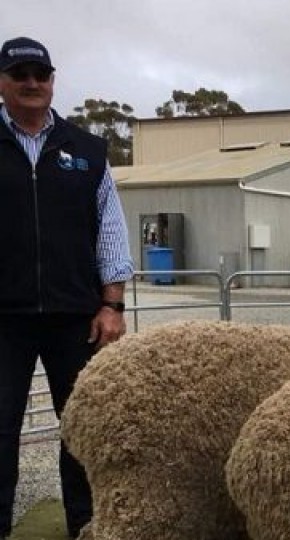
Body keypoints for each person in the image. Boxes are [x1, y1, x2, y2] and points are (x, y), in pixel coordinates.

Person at [0, 37, 134, 539]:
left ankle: (85, 524)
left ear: (53, 81)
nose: (32, 83)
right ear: (3, 82)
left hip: (77, 316)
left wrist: (112, 303)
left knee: (82, 425)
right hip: (4, 321)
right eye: (20, 74)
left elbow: (112, 229)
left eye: (41, 73)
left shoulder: (86, 149)